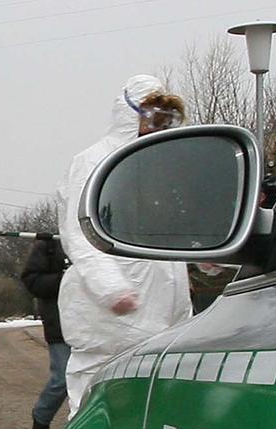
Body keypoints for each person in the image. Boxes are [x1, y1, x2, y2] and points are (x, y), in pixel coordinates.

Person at [56, 75, 193, 410]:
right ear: (131, 115)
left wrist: (208, 252)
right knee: (96, 407)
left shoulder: (160, 168)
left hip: (164, 316)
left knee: (154, 416)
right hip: (107, 321)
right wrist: (111, 288)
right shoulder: (93, 162)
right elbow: (81, 232)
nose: (158, 127)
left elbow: (177, 229)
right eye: (152, 117)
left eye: (165, 120)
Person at [18, 233, 68, 429]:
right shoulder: (50, 245)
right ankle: (42, 416)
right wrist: (66, 279)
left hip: (100, 325)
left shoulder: (104, 236)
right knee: (63, 379)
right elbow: (32, 281)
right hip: (61, 324)